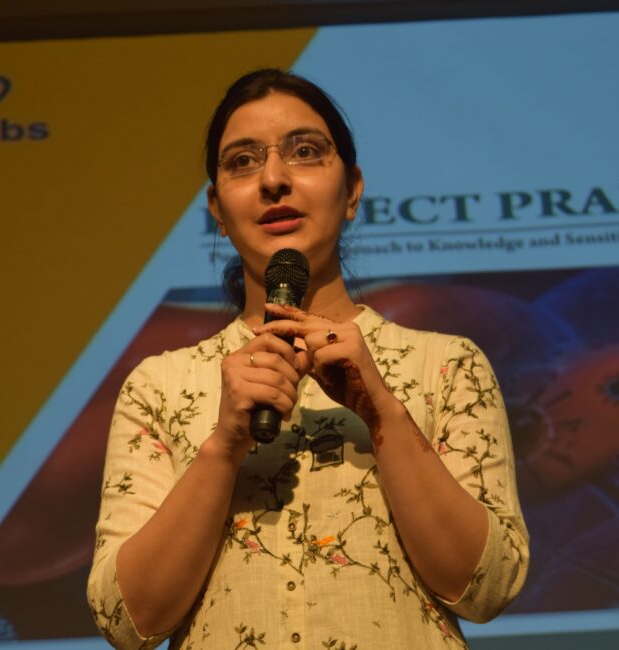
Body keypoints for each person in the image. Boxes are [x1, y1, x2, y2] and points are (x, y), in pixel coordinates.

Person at [87, 68, 529, 649]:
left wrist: (382, 413)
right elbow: (125, 621)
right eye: (243, 161)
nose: (273, 179)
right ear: (217, 209)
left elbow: (488, 586)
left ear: (352, 191)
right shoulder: (161, 384)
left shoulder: (447, 364)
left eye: (305, 152)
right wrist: (223, 446)